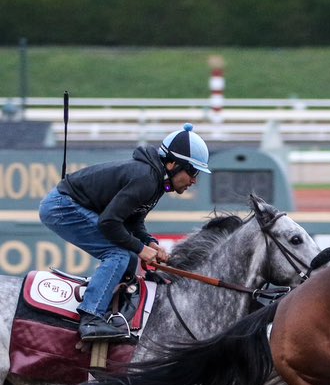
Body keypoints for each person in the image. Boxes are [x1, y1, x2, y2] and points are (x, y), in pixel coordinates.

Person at [39, 123, 211, 340]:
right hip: (62, 207)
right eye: (193, 172)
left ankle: (114, 311)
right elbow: (109, 223)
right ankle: (91, 317)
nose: (194, 180)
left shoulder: (155, 181)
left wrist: (149, 242)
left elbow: (132, 221)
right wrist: (139, 248)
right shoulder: (146, 179)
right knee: (119, 254)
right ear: (173, 164)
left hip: (71, 205)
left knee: (127, 256)